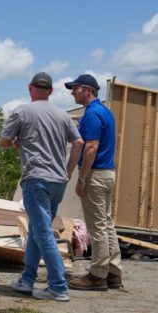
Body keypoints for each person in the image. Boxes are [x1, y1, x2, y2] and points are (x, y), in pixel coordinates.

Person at [0, 72, 83, 302]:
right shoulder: (62, 115)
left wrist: (14, 141)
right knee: (37, 230)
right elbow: (79, 142)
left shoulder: (22, 111)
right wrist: (68, 171)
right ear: (52, 91)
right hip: (57, 182)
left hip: (36, 180)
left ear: (30, 88)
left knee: (43, 232)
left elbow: (4, 142)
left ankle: (57, 286)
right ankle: (27, 280)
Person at [65, 74, 123, 291]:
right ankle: (113, 272)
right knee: (107, 224)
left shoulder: (91, 114)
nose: (72, 92)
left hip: (95, 175)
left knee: (97, 226)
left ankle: (97, 275)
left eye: (75, 88)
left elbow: (90, 148)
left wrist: (81, 179)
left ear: (88, 90)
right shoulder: (106, 112)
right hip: (108, 173)